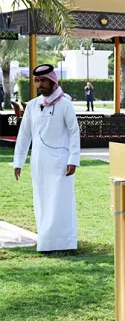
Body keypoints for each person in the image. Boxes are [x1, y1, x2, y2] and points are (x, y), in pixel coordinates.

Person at [13, 64, 80, 252]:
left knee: (59, 201)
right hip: (38, 163)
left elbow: (74, 133)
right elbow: (24, 135)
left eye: (43, 81)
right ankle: (46, 241)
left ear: (52, 81)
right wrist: (19, 162)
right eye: (37, 81)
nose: (39, 85)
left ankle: (64, 242)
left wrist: (73, 159)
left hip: (61, 163)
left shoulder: (65, 104)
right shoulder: (33, 105)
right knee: (42, 200)